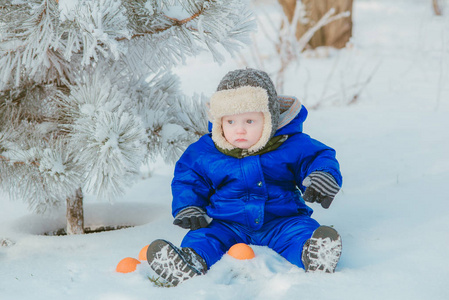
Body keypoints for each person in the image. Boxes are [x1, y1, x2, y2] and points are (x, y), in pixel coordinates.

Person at [146, 68, 343, 286]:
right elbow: (189, 178)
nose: (239, 130)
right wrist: (189, 206)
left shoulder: (290, 143)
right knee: (204, 237)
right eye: (231, 122)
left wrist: (322, 176)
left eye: (249, 121)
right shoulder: (207, 150)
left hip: (281, 219)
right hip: (226, 221)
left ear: (268, 119)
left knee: (300, 232)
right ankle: (191, 260)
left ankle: (312, 254)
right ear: (220, 120)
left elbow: (317, 157)